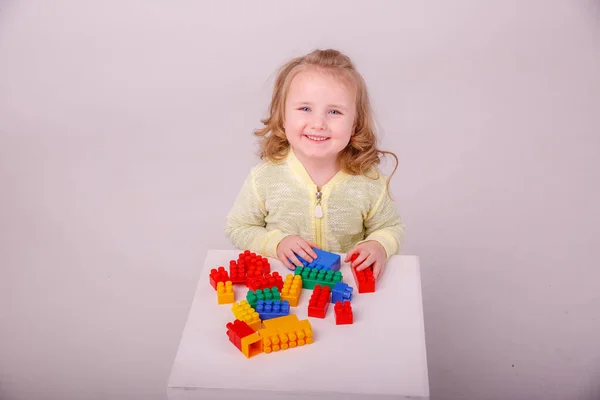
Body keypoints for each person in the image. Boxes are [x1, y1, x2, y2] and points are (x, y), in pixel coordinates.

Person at [224, 48, 404, 280]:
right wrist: (277, 243)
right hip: (286, 291)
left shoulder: (369, 181)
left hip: (345, 292)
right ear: (283, 115)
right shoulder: (265, 178)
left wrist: (379, 245)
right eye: (305, 109)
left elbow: (391, 227)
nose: (318, 123)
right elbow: (238, 227)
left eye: (334, 111)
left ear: (354, 124)